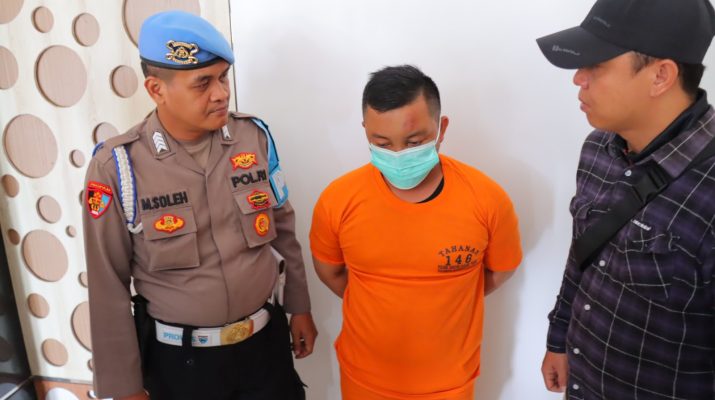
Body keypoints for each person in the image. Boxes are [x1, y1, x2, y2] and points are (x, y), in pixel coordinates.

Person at [82, 10, 317, 400]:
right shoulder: (117, 167)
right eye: (203, 83)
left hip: (265, 348)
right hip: (182, 365)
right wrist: (124, 387)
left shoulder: (252, 138)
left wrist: (299, 305)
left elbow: (283, 227)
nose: (221, 93)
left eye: (223, 77)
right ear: (156, 89)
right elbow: (107, 282)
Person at [309, 65, 523, 400]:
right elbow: (330, 272)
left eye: (414, 142)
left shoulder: (487, 199)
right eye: (381, 142)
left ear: (441, 129)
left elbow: (500, 271)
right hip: (364, 379)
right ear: (365, 131)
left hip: (450, 384)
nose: (398, 155)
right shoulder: (338, 199)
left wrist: (450, 296)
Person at [536, 0, 715, 398]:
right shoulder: (598, 149)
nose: (578, 78)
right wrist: (559, 338)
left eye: (596, 64)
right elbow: (582, 254)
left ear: (660, 76)